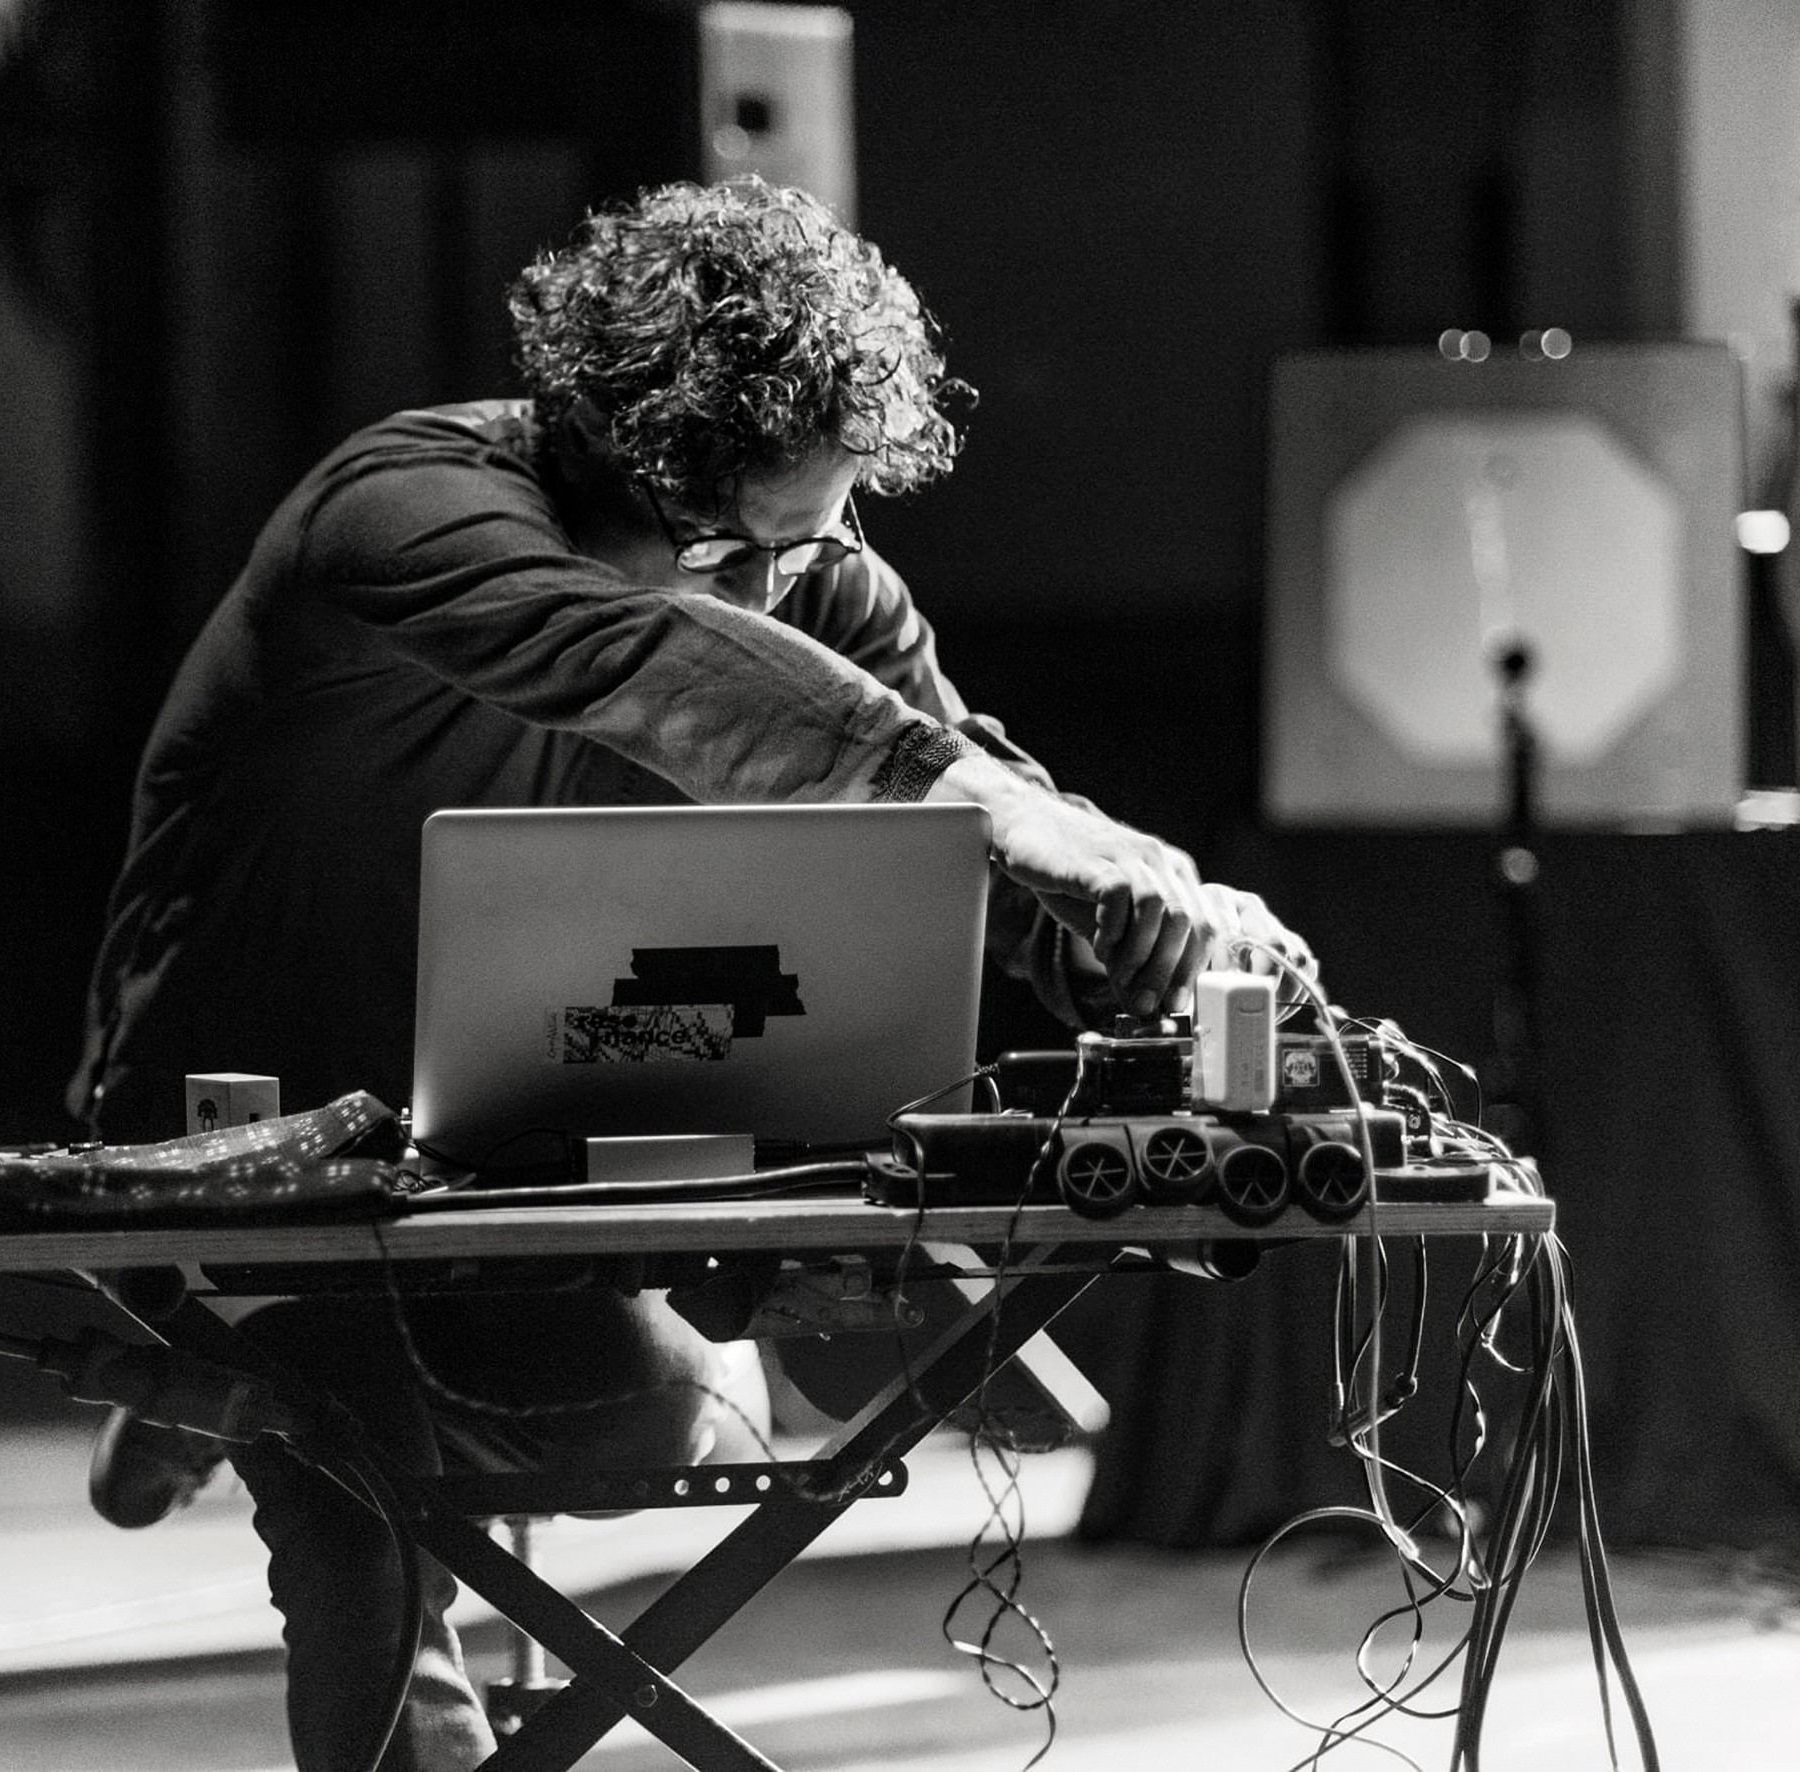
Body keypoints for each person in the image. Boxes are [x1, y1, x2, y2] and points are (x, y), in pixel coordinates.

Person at [65, 177, 1314, 1771]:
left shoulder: (809, 573)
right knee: (356, 1492)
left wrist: (1162, 932)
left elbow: (979, 816)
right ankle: (221, 1365)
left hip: (505, 1158)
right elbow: (656, 665)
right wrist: (989, 811)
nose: (778, 591)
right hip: (230, 1141)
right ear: (609, 446)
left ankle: (200, 1382)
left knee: (643, 1427)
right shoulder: (398, 511)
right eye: (732, 546)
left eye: (816, 538)